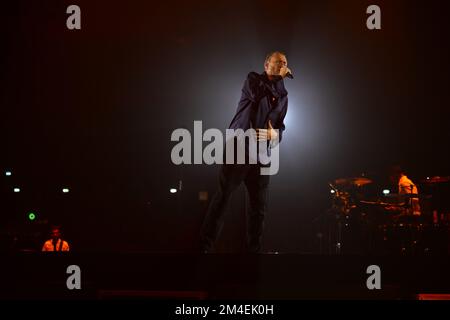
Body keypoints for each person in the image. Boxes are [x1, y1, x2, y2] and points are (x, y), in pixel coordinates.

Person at [200, 51, 291, 253]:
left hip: (262, 155)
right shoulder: (253, 80)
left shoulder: (284, 96)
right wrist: (280, 80)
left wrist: (274, 135)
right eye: (278, 62)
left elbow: (280, 126)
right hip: (239, 146)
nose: (282, 65)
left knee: (258, 208)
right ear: (267, 65)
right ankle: (204, 248)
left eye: (285, 63)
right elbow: (258, 96)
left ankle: (253, 254)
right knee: (223, 198)